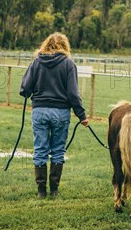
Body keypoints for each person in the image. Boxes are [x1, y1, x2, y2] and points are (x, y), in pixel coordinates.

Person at [20, 33, 88, 198]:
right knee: (58, 150)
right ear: (65, 47)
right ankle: (54, 190)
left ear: (46, 45)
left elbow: (24, 89)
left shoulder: (37, 62)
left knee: (40, 149)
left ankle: (41, 191)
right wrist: (82, 115)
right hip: (61, 112)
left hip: (40, 111)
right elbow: (73, 93)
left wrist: (29, 91)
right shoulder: (68, 64)